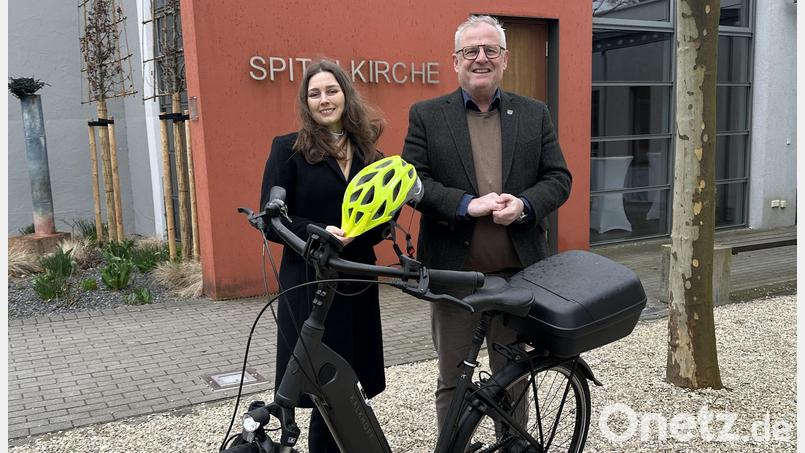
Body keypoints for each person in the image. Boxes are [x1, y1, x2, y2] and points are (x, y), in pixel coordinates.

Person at [401, 15, 572, 429]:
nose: (481, 58)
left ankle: (511, 444)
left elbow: (558, 178)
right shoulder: (426, 115)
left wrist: (526, 205)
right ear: (455, 60)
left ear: (504, 59)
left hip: (518, 275)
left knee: (513, 376)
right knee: (453, 379)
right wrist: (464, 205)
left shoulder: (534, 114)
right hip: (454, 276)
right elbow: (410, 182)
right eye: (471, 51)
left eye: (490, 50)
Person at [259, 59, 387, 453]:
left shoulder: (369, 152)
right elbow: (271, 219)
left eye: (331, 91)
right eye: (315, 93)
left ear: (346, 96)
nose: (324, 99)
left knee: (352, 386)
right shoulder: (288, 149)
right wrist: (316, 233)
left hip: (355, 280)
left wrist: (371, 225)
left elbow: (382, 218)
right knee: (319, 389)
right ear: (306, 102)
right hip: (310, 284)